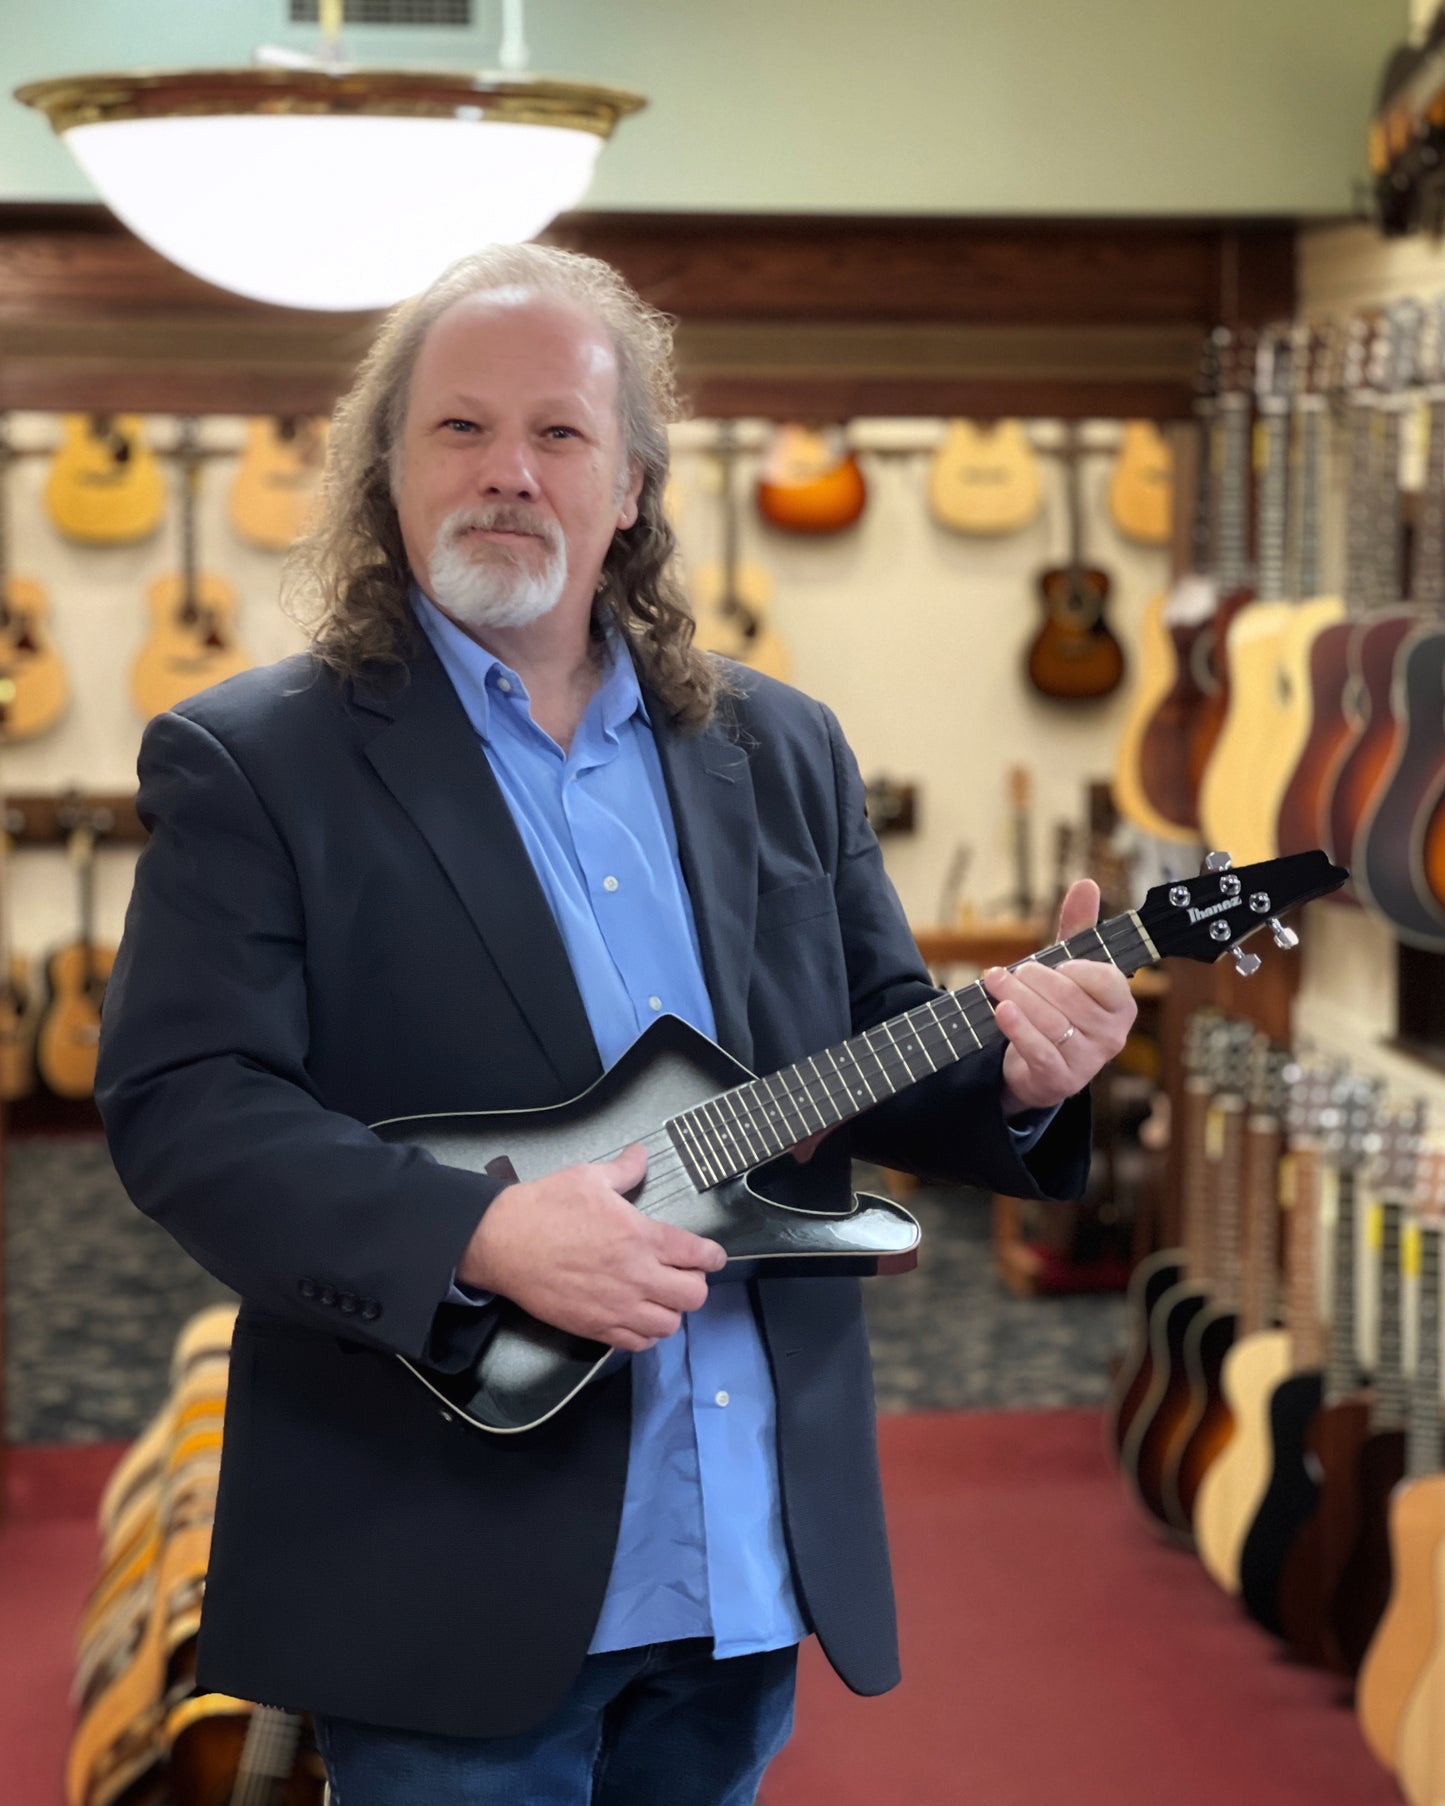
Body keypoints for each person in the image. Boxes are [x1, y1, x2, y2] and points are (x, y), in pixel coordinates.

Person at [95, 243, 1136, 1806]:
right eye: (458, 430)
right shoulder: (257, 760)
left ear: (633, 484)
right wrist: (478, 1237)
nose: (507, 472)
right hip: (447, 1544)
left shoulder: (781, 745)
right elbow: (186, 1100)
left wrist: (1021, 1070)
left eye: (559, 434)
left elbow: (866, 1045)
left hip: (738, 1548)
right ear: (386, 475)